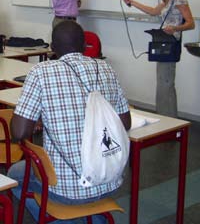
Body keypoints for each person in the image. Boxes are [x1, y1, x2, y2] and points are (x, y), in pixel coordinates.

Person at [8, 21, 131, 224]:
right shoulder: (107, 69)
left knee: (15, 174)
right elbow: (124, 123)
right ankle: (91, 217)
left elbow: (19, 132)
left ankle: (62, 220)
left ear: (52, 49)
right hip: (109, 178)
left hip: (68, 189)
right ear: (84, 47)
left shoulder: (41, 72)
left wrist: (41, 115)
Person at [123, 0, 195, 118]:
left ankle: (169, 121)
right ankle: (165, 117)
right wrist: (133, 2)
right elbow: (153, 11)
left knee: (166, 85)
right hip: (163, 42)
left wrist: (175, 27)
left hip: (171, 44)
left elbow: (190, 23)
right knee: (163, 84)